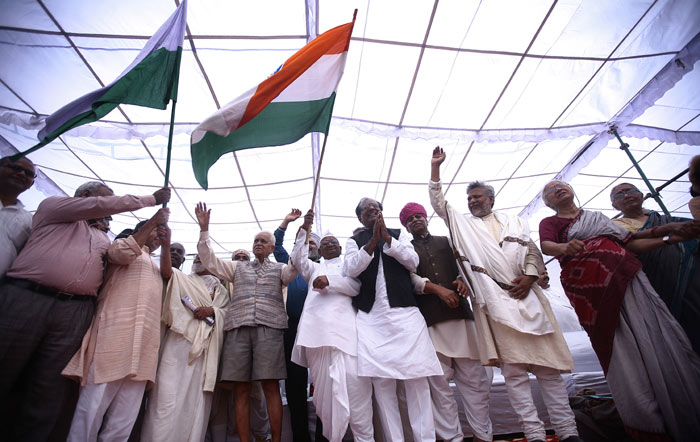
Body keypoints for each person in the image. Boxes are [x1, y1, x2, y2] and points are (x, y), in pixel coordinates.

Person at [429, 147, 582, 442]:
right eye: (469, 198)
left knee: (549, 372)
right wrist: (436, 169)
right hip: (494, 302)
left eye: (477, 197)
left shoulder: (515, 222)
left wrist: (529, 277)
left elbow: (531, 251)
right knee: (515, 376)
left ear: (491, 199)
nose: (472, 201)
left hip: (528, 298)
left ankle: (568, 432)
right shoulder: (462, 225)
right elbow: (438, 202)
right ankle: (534, 434)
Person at [0, 181, 169, 442]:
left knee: (48, 388)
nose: (106, 218)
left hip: (74, 311)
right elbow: (119, 243)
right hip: (28, 298)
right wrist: (151, 202)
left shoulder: (104, 239)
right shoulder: (54, 209)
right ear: (87, 197)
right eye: (104, 207)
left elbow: (118, 256)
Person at [539, 179, 700, 441]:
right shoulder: (550, 223)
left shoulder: (597, 217)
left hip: (628, 278)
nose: (557, 189)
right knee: (618, 344)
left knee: (653, 333)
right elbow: (547, 246)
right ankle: (646, 423)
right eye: (550, 191)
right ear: (548, 203)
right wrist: (564, 247)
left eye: (561, 185)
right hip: (590, 288)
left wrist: (669, 238)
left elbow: (630, 242)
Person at [63, 209, 170, 441]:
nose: (158, 238)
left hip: (142, 348)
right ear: (142, 229)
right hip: (114, 338)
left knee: (125, 418)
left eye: (160, 235)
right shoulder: (123, 246)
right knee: (92, 406)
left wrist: (166, 240)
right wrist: (153, 221)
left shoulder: (155, 264)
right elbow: (121, 254)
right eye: (155, 232)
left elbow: (168, 274)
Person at [342, 197, 442, 442]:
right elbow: (349, 270)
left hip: (406, 315)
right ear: (360, 218)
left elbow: (413, 261)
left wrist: (387, 238)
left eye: (376, 208)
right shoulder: (354, 240)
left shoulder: (399, 234)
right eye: (367, 210)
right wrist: (372, 242)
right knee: (383, 385)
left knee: (417, 379)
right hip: (371, 320)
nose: (372, 212)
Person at [196, 202, 297, 442]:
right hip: (238, 329)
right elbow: (209, 260)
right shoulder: (237, 268)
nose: (258, 244)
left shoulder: (281, 269)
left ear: (272, 248)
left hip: (269, 329)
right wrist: (204, 229)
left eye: (263, 241)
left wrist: (300, 233)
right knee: (240, 388)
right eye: (256, 241)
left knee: (270, 386)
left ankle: (276, 439)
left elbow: (295, 269)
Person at [400, 202, 493, 442]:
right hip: (431, 323)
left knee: (475, 383)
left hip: (462, 320)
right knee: (439, 387)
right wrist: (436, 289)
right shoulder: (405, 249)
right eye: (410, 219)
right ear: (406, 226)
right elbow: (408, 278)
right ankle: (453, 438)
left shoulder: (447, 240)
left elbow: (467, 264)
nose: (416, 220)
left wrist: (463, 280)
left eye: (419, 216)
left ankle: (483, 436)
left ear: (426, 218)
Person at [290, 210, 374, 442]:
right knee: (324, 404)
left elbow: (356, 288)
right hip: (316, 337)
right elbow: (297, 258)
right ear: (318, 248)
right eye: (324, 242)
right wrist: (304, 231)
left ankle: (364, 438)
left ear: (341, 247)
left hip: (347, 337)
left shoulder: (350, 266)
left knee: (358, 397)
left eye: (333, 242)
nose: (328, 244)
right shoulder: (313, 268)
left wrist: (331, 282)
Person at [142, 233, 230, 442]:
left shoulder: (222, 290)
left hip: (205, 352)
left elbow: (227, 314)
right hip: (178, 345)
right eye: (196, 257)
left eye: (203, 257)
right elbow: (165, 271)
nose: (199, 259)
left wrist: (213, 311)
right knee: (165, 398)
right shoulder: (182, 277)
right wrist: (165, 246)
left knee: (195, 401)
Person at [610, 182, 700, 353]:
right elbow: (630, 245)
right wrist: (669, 238)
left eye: (629, 190)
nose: (626, 195)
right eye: (619, 195)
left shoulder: (663, 218)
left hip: (692, 272)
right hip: (660, 279)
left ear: (641, 194)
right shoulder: (617, 225)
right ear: (614, 205)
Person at [207, 249, 272, 442]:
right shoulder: (219, 283)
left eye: (245, 257)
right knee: (222, 394)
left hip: (253, 343)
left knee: (256, 393)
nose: (242, 260)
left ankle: (262, 435)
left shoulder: (259, 282)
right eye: (238, 258)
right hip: (223, 342)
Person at [274, 209, 320, 442]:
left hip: (319, 330)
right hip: (291, 329)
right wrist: (288, 222)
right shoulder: (288, 263)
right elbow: (276, 244)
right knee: (295, 385)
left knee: (322, 384)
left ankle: (325, 436)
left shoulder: (325, 266)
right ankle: (300, 437)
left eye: (312, 243)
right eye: (304, 242)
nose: (309, 245)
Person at [0, 155, 35, 277]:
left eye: (29, 173)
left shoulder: (29, 220)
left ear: (32, 184)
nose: (21, 174)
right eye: (15, 168)